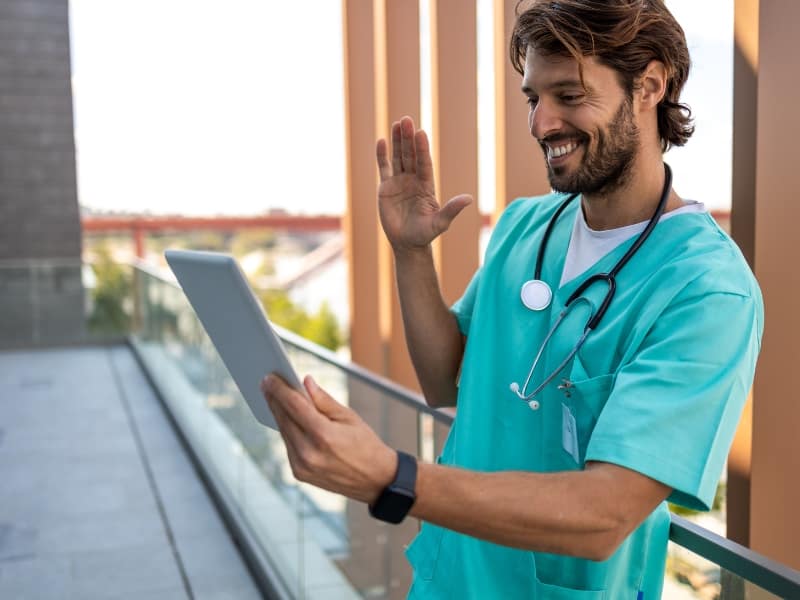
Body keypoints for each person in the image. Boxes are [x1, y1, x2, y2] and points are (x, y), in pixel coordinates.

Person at [260, 0, 763, 597]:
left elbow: (605, 515)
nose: (542, 124)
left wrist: (391, 477)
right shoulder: (526, 226)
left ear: (651, 86)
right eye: (533, 99)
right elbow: (446, 381)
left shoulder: (706, 288)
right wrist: (411, 253)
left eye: (569, 97)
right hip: (450, 579)